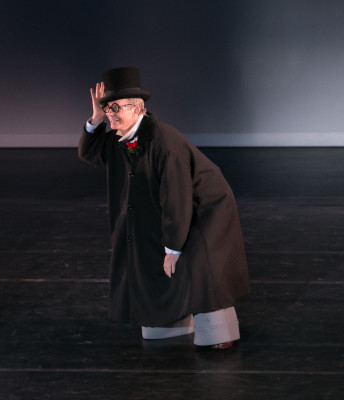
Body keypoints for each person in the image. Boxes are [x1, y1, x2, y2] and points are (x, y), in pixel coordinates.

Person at [78, 67, 250, 349]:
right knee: (149, 256)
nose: (110, 113)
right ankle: (173, 321)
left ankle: (220, 332)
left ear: (138, 109)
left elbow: (178, 197)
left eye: (116, 107)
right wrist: (95, 119)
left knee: (197, 263)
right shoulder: (122, 138)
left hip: (204, 208)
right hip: (168, 207)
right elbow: (89, 153)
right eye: (107, 107)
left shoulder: (164, 143)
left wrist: (173, 248)